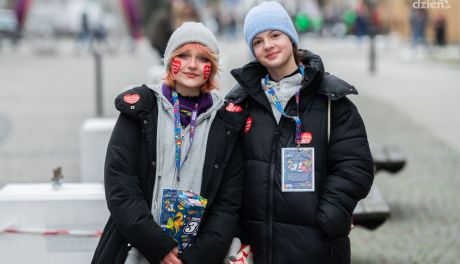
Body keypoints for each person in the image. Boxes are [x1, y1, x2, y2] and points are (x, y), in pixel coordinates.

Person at [226, 2, 374, 263]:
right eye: (258, 41)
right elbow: (229, 171)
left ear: (291, 38)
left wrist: (330, 216)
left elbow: (355, 165)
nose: (268, 45)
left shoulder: (331, 100)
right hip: (257, 245)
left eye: (275, 35)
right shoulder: (241, 103)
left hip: (316, 247)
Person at [92, 22, 246, 264]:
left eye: (202, 58)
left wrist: (196, 257)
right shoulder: (141, 110)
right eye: (183, 55)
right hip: (137, 251)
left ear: (212, 68)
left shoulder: (226, 123)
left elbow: (228, 204)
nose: (192, 65)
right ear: (170, 61)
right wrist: (158, 246)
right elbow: (120, 187)